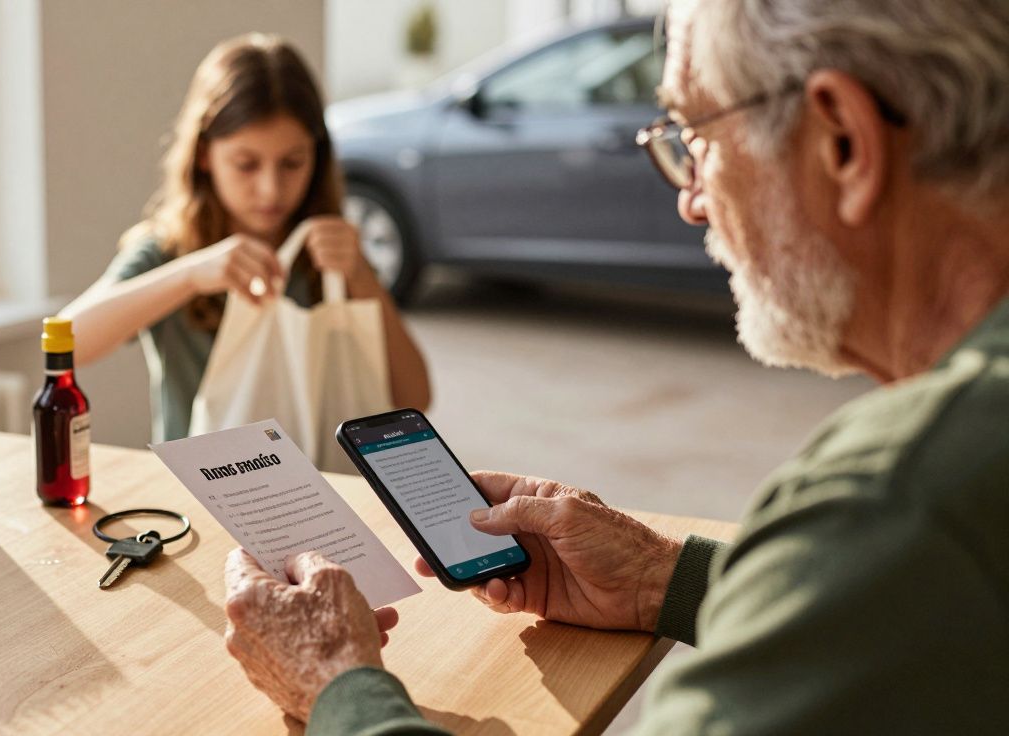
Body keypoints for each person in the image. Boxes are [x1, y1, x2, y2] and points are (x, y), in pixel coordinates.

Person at [221, 0, 1009, 733]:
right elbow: (904, 610)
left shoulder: (897, 496)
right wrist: (659, 578)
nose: (690, 201)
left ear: (843, 143)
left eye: (695, 139)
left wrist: (339, 686)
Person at [61, 34, 430, 443]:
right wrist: (189, 275)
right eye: (246, 164)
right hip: (198, 481)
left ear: (318, 155)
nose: (271, 189)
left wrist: (359, 273)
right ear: (204, 155)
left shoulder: (331, 253)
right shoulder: (168, 250)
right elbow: (65, 344)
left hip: (315, 478)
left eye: (292, 163)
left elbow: (415, 397)